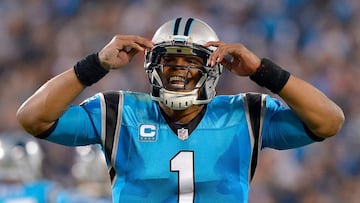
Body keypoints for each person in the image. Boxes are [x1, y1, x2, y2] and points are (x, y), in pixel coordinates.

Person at [16, 17, 344, 202]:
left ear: (213, 69)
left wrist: (263, 71)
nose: (178, 70)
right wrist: (94, 65)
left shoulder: (243, 114)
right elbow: (32, 118)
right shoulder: (119, 112)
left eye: (190, 62)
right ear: (153, 66)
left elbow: (329, 121)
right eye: (170, 60)